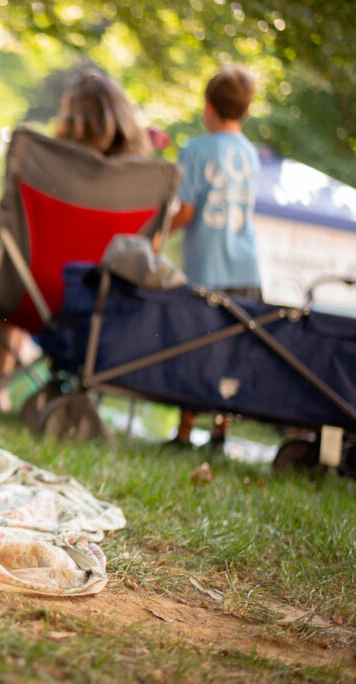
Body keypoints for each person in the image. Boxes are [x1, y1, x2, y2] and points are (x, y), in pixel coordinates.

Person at [0, 68, 151, 411]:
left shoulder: (40, 162)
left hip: (30, 295)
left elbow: (8, 224)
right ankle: (82, 400)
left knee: (8, 285)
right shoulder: (146, 179)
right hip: (102, 309)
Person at [164, 65, 261, 453]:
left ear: (208, 106)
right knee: (233, 349)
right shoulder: (252, 154)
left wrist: (156, 234)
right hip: (246, 265)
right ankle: (221, 431)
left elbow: (186, 212)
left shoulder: (196, 149)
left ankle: (185, 431)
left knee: (195, 345)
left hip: (207, 265)